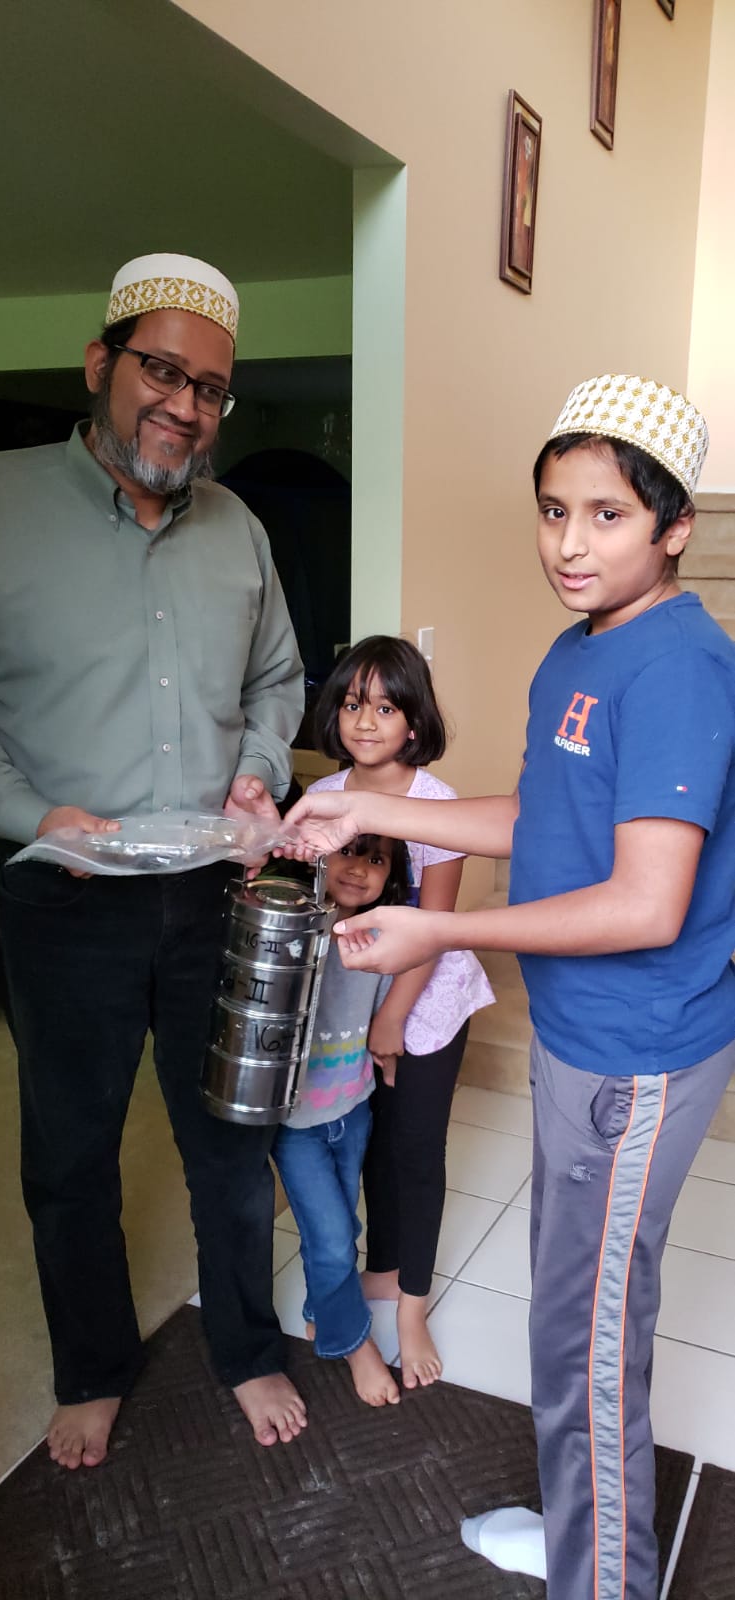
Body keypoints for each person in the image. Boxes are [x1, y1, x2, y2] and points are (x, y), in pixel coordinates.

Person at [282, 374, 735, 1600]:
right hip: (584, 1035)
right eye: (552, 510)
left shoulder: (682, 668)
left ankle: (605, 1578)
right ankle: (587, 1533)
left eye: (607, 515)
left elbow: (646, 903)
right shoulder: (578, 648)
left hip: (639, 1047)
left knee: (587, 1336)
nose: (570, 545)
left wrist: (437, 936)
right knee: (568, 1312)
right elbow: (543, 819)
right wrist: (370, 807)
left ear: (674, 526)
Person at [0, 252, 307, 1467]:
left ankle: (248, 1347)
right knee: (70, 1153)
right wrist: (26, 811)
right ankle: (94, 1366)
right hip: (63, 897)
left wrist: (258, 767)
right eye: (162, 371)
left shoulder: (238, 527)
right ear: (101, 363)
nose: (185, 405)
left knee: (232, 1142)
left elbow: (279, 676)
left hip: (215, 891)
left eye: (210, 388)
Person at [306, 637, 494, 1388]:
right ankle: (380, 1270)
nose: (365, 721)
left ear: (414, 721)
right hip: (350, 1003)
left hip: (425, 1002)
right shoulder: (325, 795)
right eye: (354, 704)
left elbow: (434, 929)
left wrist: (393, 1023)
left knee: (413, 1151)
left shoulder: (438, 804)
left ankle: (412, 1308)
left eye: (385, 708)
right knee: (368, 1145)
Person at [272, 834, 409, 1407]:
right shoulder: (293, 930)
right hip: (296, 1126)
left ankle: (318, 1308)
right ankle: (354, 1345)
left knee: (343, 1226)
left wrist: (390, 1055)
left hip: (354, 1111)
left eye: (376, 860)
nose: (359, 869)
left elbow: (384, 1014)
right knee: (330, 1238)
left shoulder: (380, 939)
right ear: (318, 858)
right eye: (349, 852)